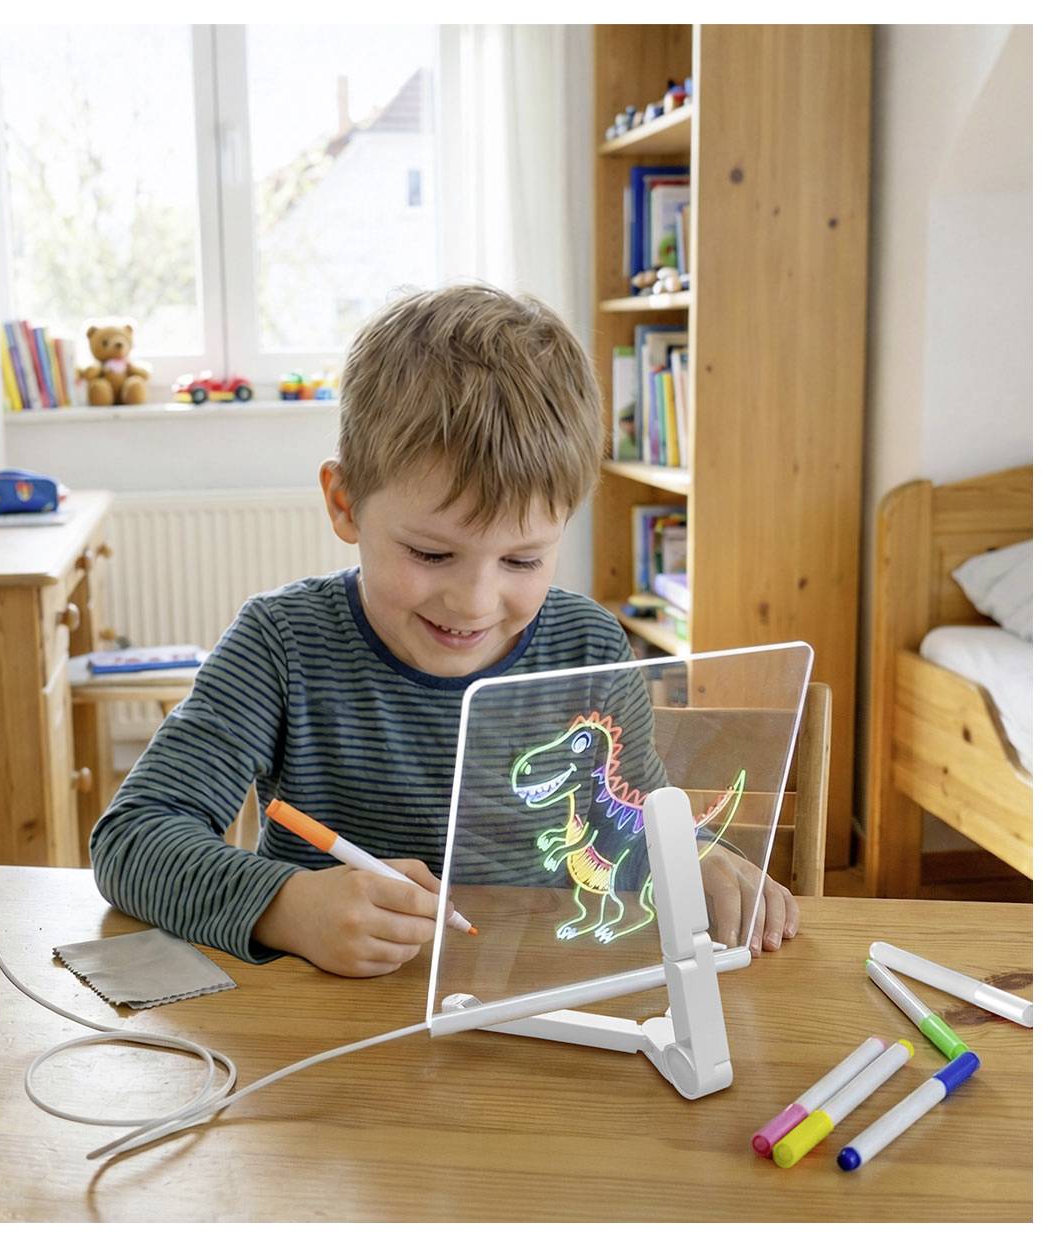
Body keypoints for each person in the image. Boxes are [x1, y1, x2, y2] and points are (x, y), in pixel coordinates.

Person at [90, 284, 799, 977]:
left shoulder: (589, 647)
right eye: (431, 553)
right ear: (344, 504)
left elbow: (637, 823)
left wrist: (694, 854)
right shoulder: (281, 643)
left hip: (531, 1011)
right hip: (328, 1031)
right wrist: (287, 905)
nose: (473, 601)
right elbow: (131, 839)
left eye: (522, 559)